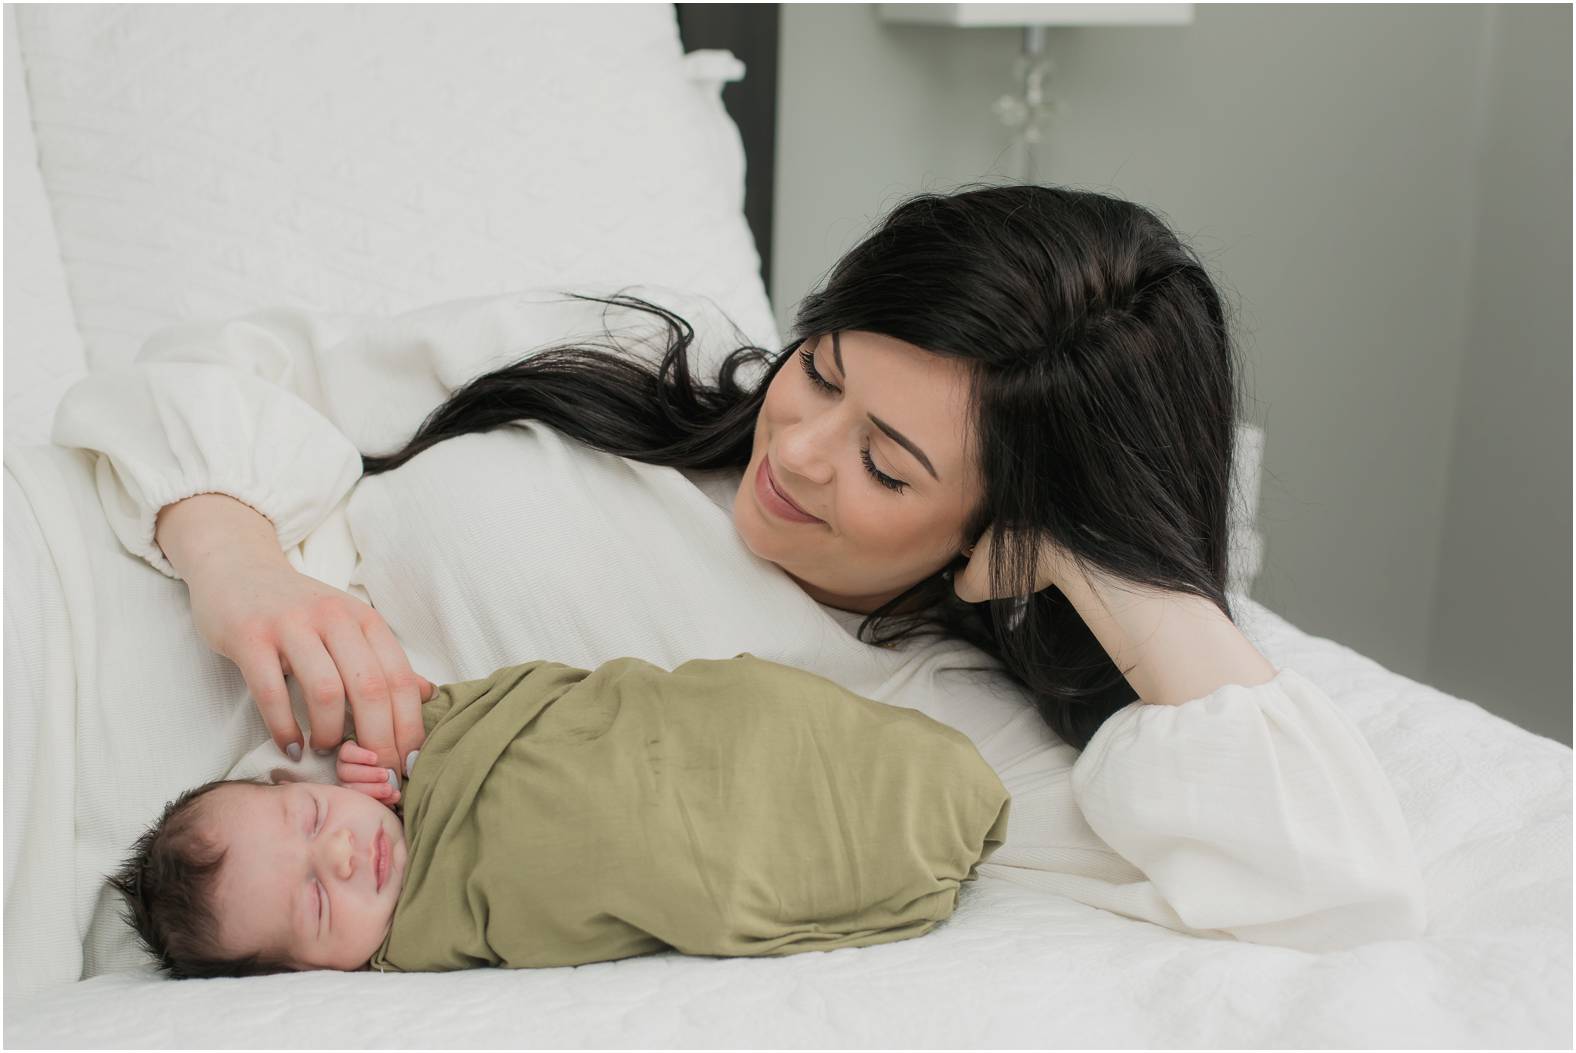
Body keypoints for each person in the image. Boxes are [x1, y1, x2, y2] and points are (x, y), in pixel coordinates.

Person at [54, 183, 1428, 952]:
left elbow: (1337, 876)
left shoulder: (939, 721)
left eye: (891, 466)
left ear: (1005, 533)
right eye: (818, 368)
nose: (802, 448)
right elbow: (227, 368)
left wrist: (1106, 559)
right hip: (109, 625)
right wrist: (236, 556)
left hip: (221, 906)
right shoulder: (624, 366)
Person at [109, 653, 1010, 977]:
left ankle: (921, 785)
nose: (342, 855)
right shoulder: (415, 943)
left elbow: (513, 703)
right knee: (706, 869)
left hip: (671, 740)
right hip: (686, 859)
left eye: (310, 818)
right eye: (312, 905)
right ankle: (907, 837)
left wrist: (401, 759)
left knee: (749, 707)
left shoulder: (422, 757)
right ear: (309, 972)